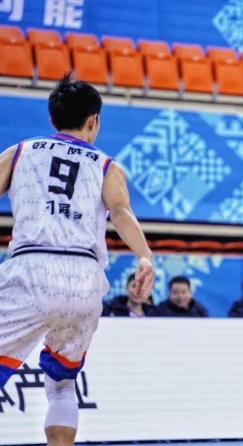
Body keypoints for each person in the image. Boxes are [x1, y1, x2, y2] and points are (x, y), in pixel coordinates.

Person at [0, 73, 154, 446]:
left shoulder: (19, 152)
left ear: (52, 119)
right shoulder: (107, 165)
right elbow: (121, 212)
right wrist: (145, 255)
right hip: (84, 280)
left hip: (32, 270)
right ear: (93, 121)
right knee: (63, 383)